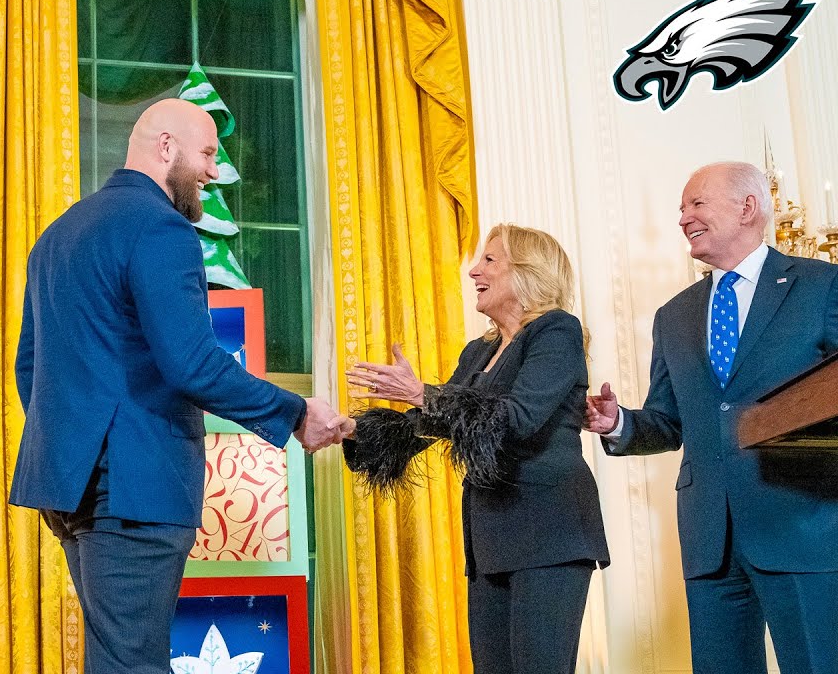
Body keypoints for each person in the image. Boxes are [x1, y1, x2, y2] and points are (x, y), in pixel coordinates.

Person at [11, 97, 351, 674]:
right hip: (135, 487)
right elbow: (192, 363)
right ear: (165, 147)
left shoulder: (58, 234)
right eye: (208, 153)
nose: (215, 171)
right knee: (133, 665)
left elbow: (30, 368)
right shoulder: (162, 229)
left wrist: (76, 446)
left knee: (116, 660)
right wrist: (295, 414)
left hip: (69, 489)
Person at [585, 161, 838, 674]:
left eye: (696, 204)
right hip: (710, 538)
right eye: (681, 208)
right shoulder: (673, 315)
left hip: (802, 524)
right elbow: (667, 421)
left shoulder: (821, 286)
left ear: (748, 208)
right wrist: (617, 424)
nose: (683, 218)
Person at [346, 224, 608, 674]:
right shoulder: (478, 351)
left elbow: (518, 418)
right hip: (490, 538)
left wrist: (423, 393)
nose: (474, 271)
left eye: (490, 260)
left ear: (529, 272)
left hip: (549, 533)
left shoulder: (556, 332)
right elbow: (435, 422)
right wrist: (351, 431)